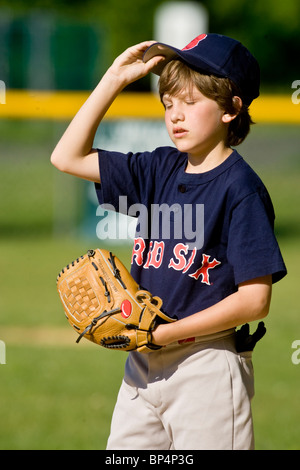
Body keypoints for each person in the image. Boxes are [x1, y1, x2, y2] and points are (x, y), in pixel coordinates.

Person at [51, 33, 287, 450]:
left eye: (190, 102)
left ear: (232, 109)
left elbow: (255, 301)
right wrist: (113, 80)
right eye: (168, 103)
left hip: (207, 367)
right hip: (141, 368)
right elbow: (66, 157)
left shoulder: (241, 189)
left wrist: (165, 335)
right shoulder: (160, 167)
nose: (175, 115)